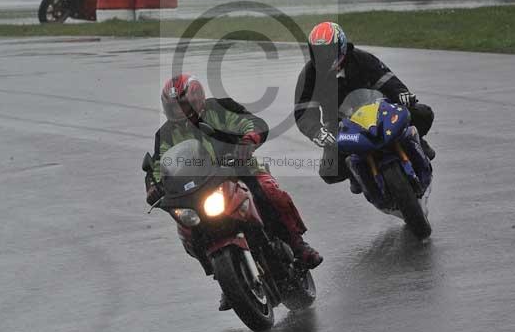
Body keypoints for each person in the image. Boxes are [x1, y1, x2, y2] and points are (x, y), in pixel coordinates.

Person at [145, 74, 323, 309]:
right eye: (173, 108)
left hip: (240, 170)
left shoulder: (220, 108)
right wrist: (153, 186)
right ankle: (224, 278)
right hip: (198, 188)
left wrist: (248, 141)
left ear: (197, 98)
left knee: (270, 193)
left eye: (183, 106)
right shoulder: (165, 134)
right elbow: (159, 165)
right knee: (186, 226)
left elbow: (251, 123)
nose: (179, 112)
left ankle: (298, 245)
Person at [294, 21, 435, 189]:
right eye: (318, 52)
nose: (324, 56)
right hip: (340, 125)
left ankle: (417, 142)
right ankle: (357, 174)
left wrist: (402, 93)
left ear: (342, 46)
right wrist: (316, 131)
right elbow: (303, 111)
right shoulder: (309, 74)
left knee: (422, 113)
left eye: (328, 51)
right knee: (329, 172)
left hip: (378, 111)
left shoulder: (361, 58)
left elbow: (387, 79)